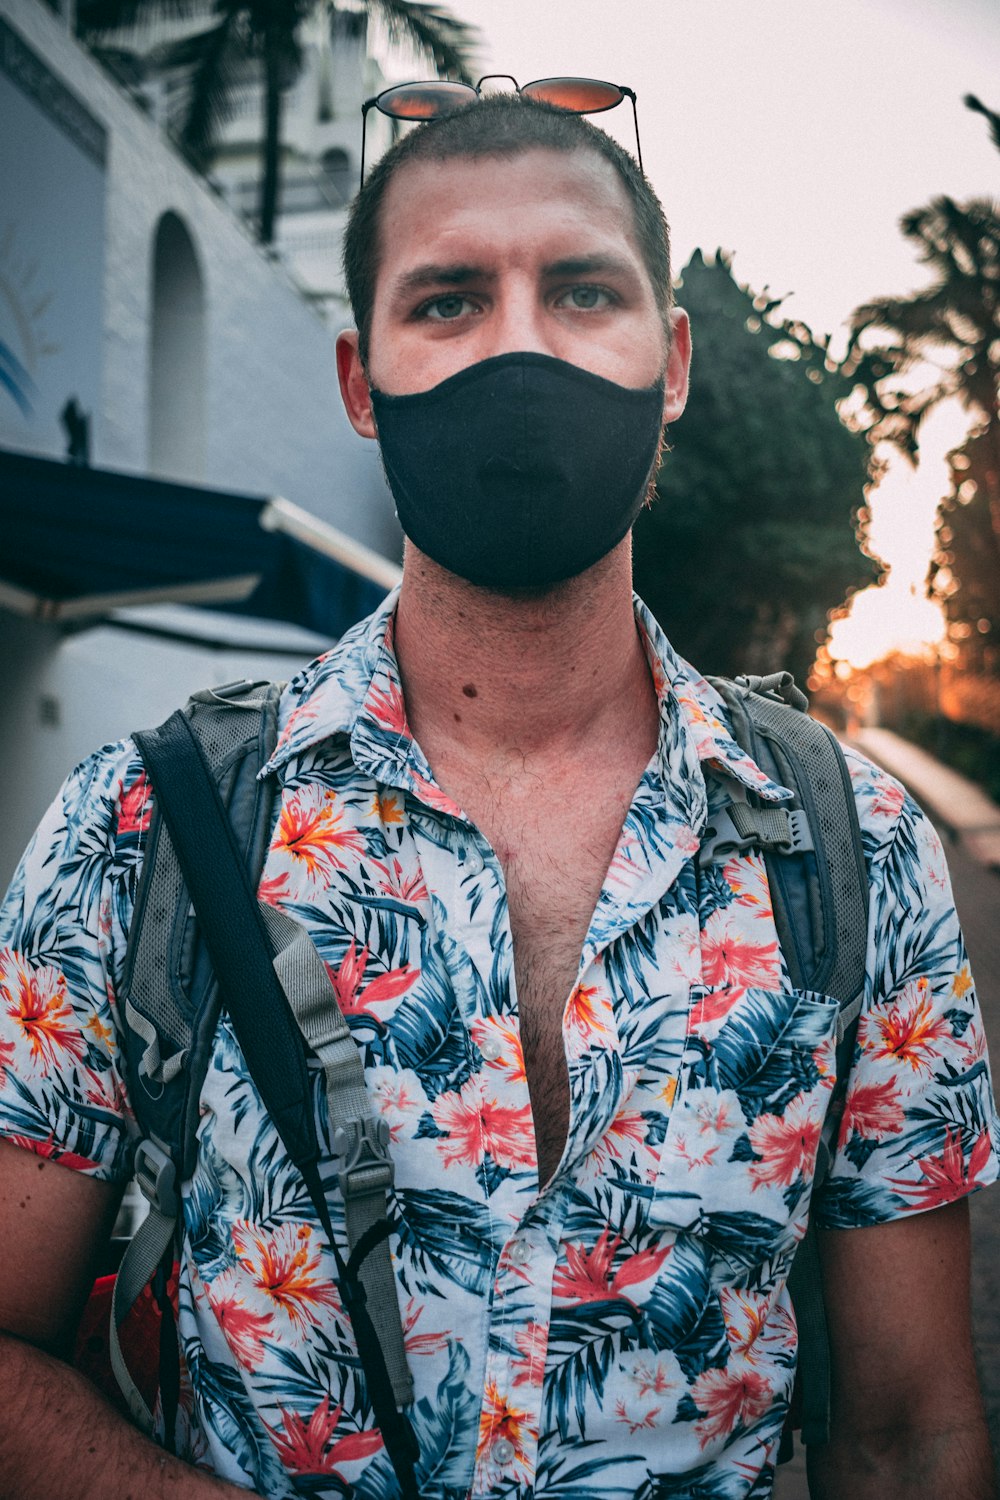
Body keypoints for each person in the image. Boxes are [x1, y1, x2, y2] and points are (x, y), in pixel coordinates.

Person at [1, 89, 997, 1500]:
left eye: (584, 291)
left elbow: (909, 1432)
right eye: (451, 300)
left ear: (672, 364)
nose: (521, 347)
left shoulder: (859, 851)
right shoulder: (141, 828)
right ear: (361, 381)